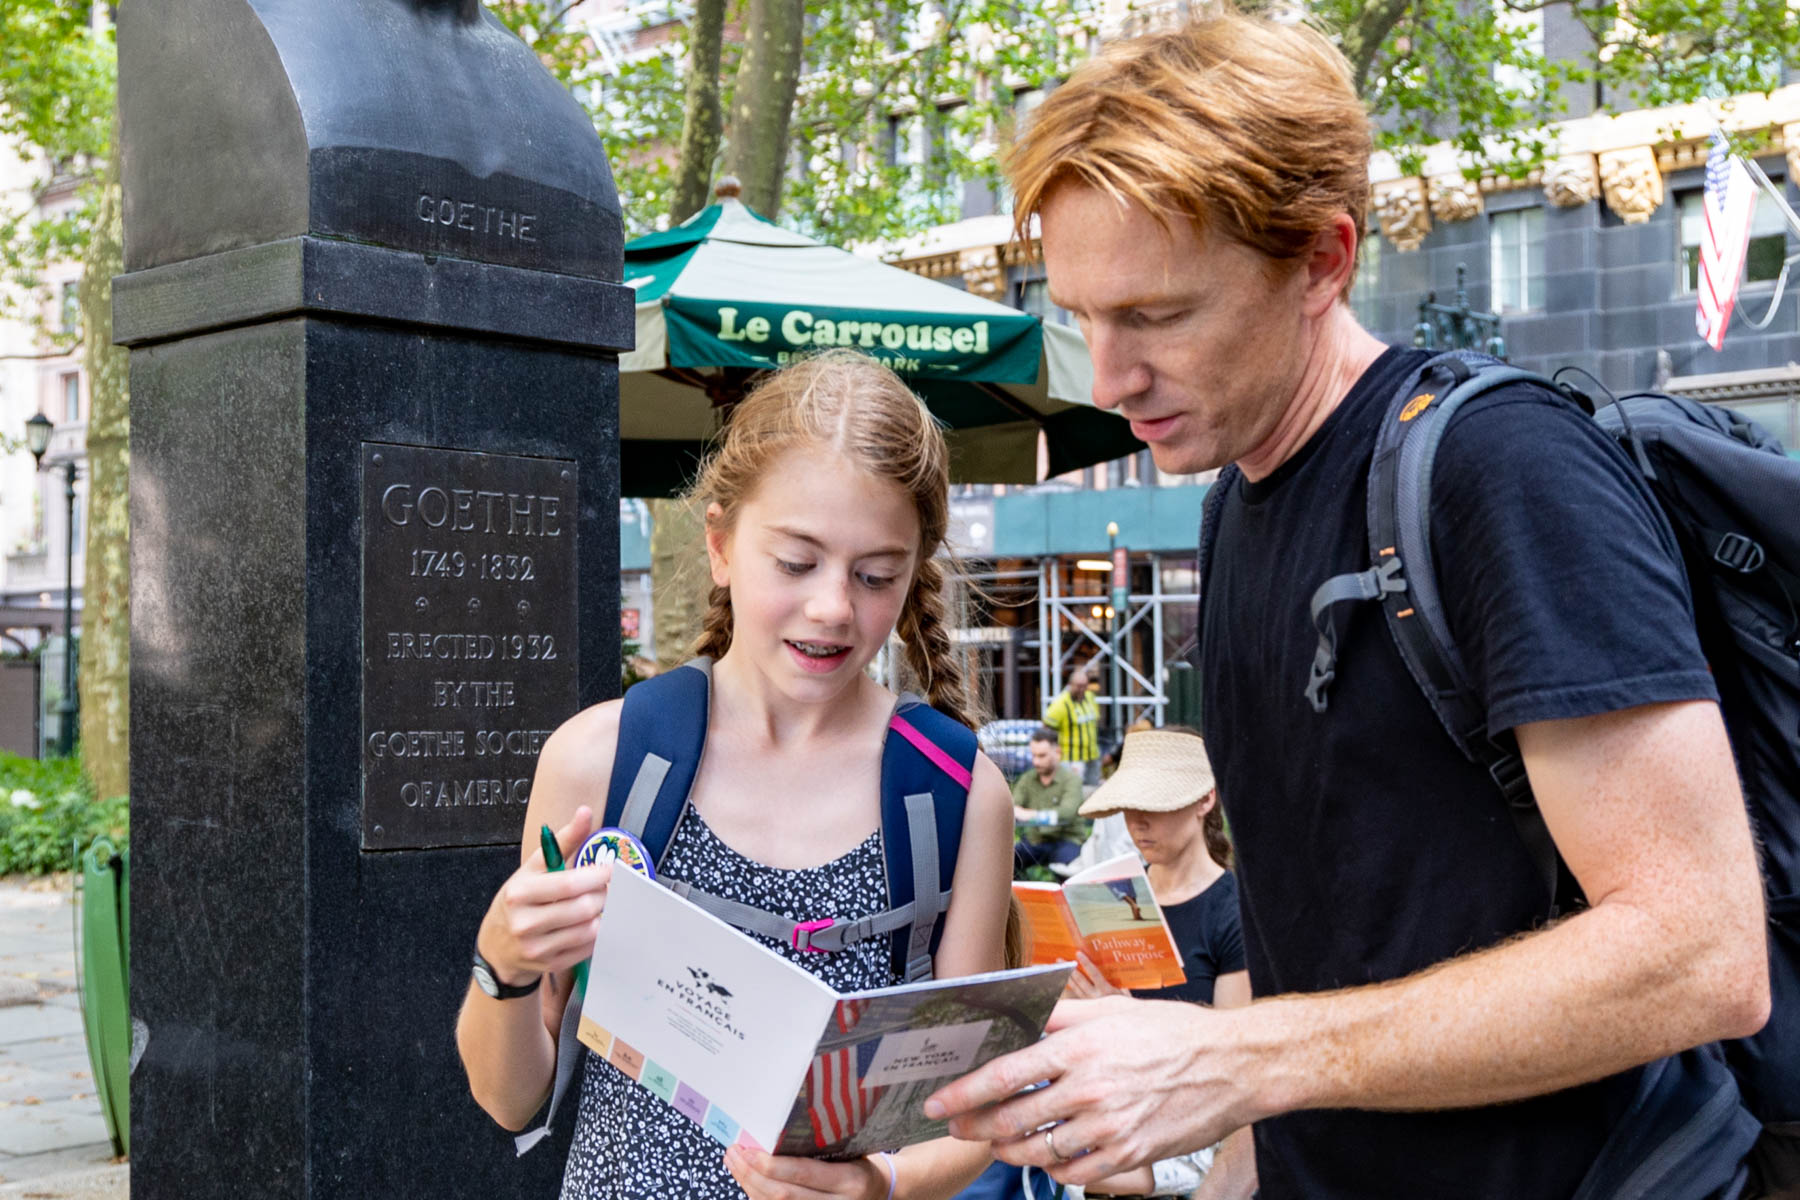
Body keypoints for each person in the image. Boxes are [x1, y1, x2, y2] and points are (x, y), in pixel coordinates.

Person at [924, 14, 1769, 1200]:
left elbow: (1701, 954)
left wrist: (1237, 1058)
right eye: (1082, 317)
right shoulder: (1233, 504)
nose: (1110, 380)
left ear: (1323, 259)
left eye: (1157, 316)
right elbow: (1304, 971)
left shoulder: (1503, 469)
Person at [456, 350, 1015, 1200]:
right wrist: (505, 961)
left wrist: (879, 1187)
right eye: (796, 563)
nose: (832, 606)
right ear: (719, 545)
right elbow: (509, 1098)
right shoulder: (604, 760)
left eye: (875, 576)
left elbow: (966, 1111)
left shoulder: (957, 795)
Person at [1011, 726, 1088, 874]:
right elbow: (1012, 806)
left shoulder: (1071, 780)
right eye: (1033, 755)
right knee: (1006, 862)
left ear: (1057, 753)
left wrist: (1031, 814)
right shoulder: (1027, 779)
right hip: (1036, 840)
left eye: (1042, 756)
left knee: (1068, 870)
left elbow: (1066, 812)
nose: (1036, 761)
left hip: (1066, 840)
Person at [1042, 667, 1100, 786]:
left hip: (1092, 755)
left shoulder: (1090, 697)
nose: (1082, 689)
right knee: (1074, 790)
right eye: (1078, 686)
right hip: (1071, 759)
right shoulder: (1061, 704)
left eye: (1084, 685)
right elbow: (1046, 729)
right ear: (1070, 685)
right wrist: (1053, 753)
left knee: (1094, 790)